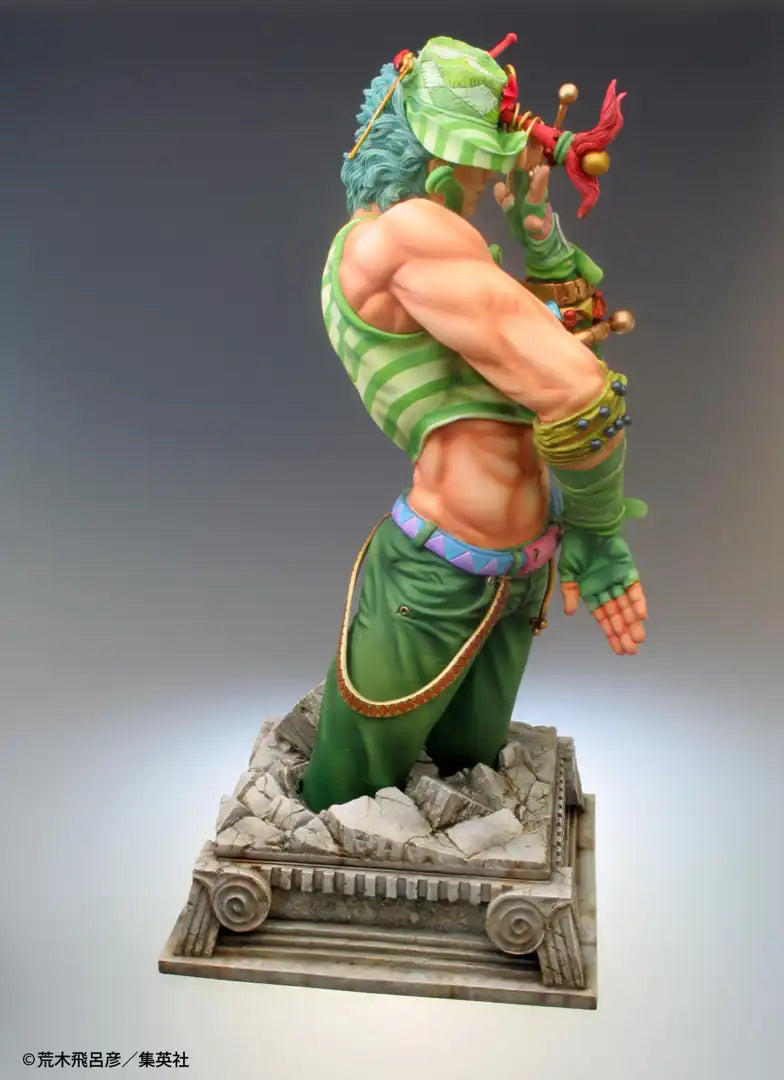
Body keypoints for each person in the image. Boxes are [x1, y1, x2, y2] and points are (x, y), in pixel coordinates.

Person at [301, 35, 648, 814]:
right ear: (434, 160)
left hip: (516, 569)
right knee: (345, 802)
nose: (489, 180)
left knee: (471, 779)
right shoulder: (403, 238)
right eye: (478, 165)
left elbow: (559, 348)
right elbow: (578, 389)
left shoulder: (423, 248)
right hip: (437, 577)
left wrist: (540, 237)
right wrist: (598, 532)